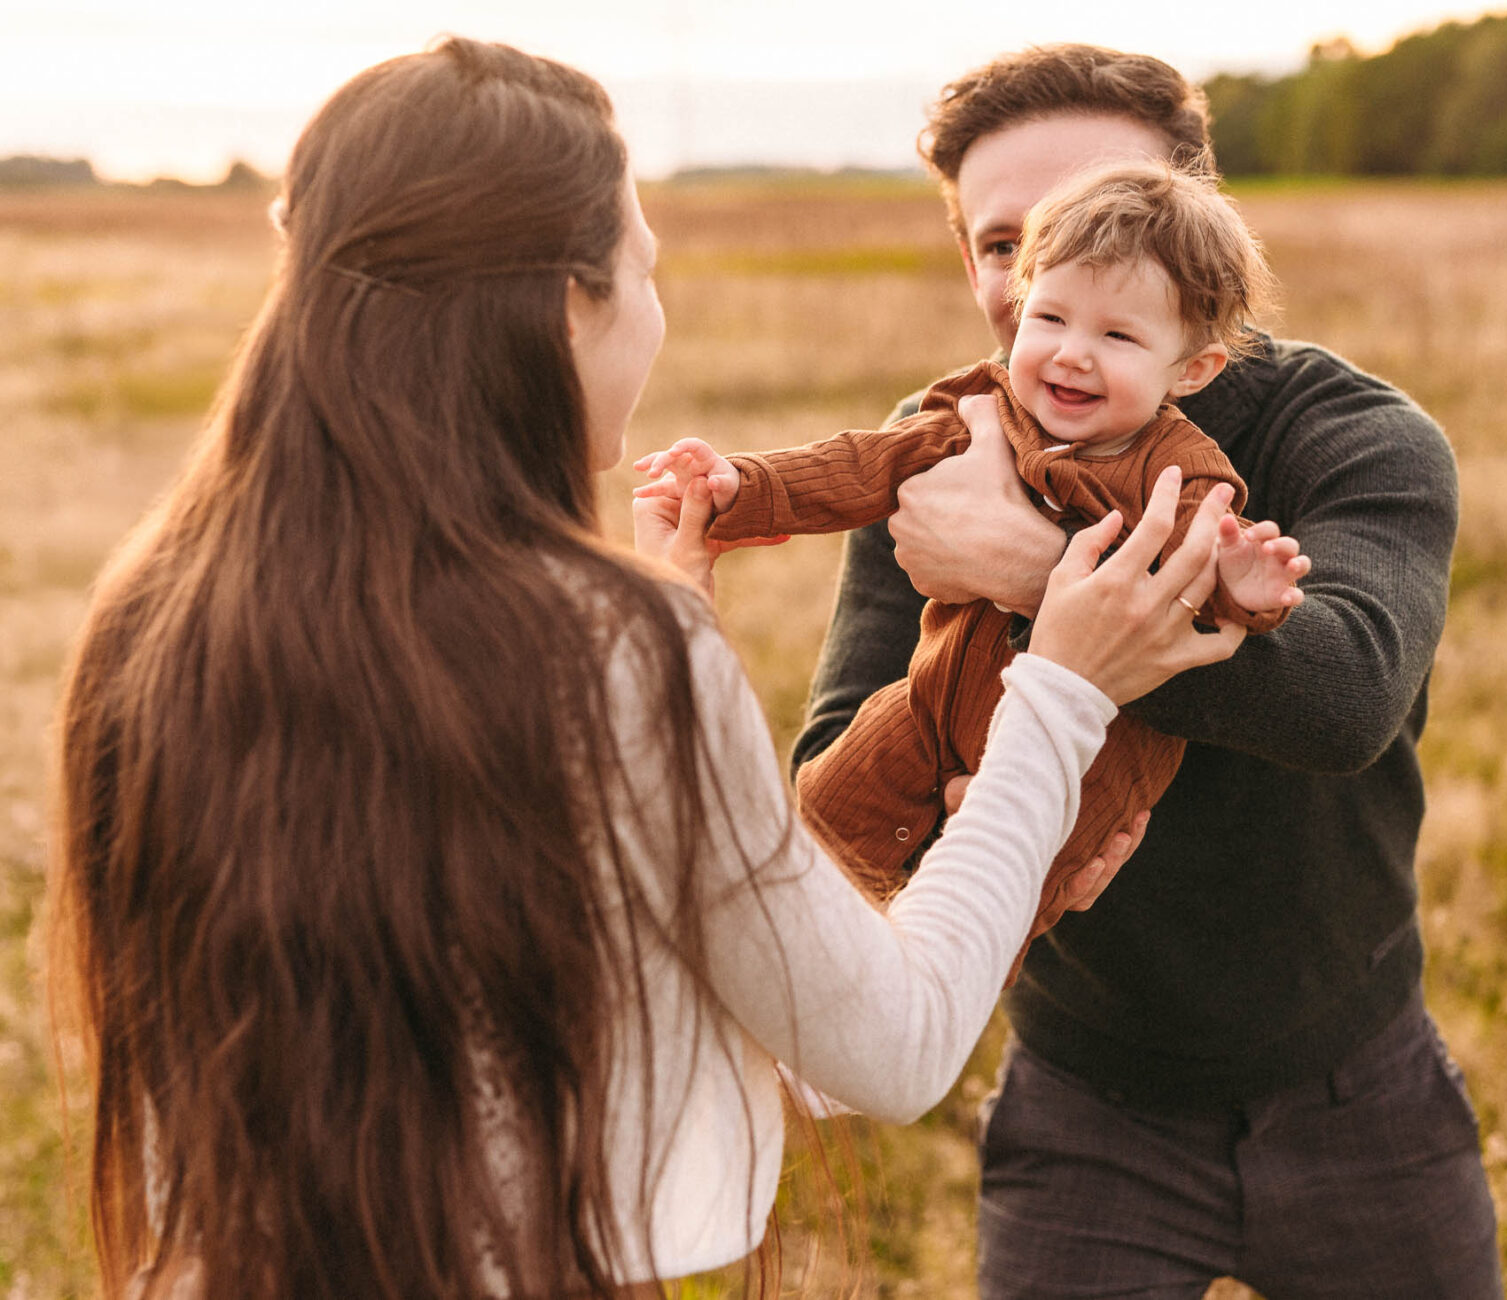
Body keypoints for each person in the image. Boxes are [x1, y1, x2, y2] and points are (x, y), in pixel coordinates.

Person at [43, 38, 1250, 1300]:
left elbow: (509, 1009)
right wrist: (1057, 689)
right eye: (643, 269)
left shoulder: (156, 611)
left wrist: (664, 659)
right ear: (572, 299)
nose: (653, 309)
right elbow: (890, 1046)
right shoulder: (613, 650)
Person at [790, 44, 1503, 1298]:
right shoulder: (945, 443)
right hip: (1084, 1099)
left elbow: (1344, 697)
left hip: (1357, 1076)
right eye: (1006, 240)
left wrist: (1031, 574)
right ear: (972, 264)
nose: (1049, 263)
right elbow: (845, 764)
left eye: (1097, 207)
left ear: (1203, 237)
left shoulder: (1355, 436)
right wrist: (971, 807)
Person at [633, 161, 1306, 972]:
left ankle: (927, 991)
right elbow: (862, 466)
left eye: (1117, 336)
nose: (1071, 355)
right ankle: (767, 970)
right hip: (930, 703)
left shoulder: (1184, 477)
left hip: (1081, 755)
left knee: (1019, 886)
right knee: (823, 810)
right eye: (1050, 318)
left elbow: (1194, 603)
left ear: (1192, 368)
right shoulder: (979, 414)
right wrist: (742, 487)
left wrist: (1248, 588)